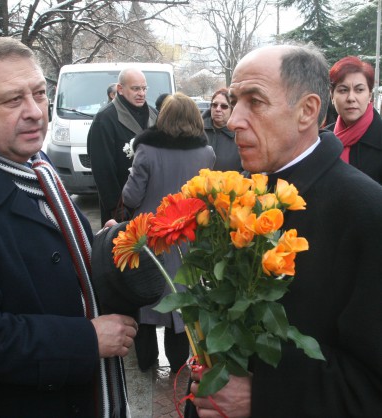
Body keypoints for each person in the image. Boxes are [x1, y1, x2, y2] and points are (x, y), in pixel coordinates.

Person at [0, 37, 164, 418]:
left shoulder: (38, 168)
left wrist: (101, 248)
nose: (35, 112)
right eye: (11, 100)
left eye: (39, 94)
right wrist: (85, 340)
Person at [185, 44, 382, 417]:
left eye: (254, 102)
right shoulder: (237, 194)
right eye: (233, 99)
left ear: (307, 111)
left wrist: (264, 397)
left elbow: (371, 387)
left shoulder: (366, 213)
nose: (233, 120)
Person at [122, 93, 216, 373]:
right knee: (181, 300)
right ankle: (178, 364)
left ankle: (147, 362)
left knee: (145, 300)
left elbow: (131, 196)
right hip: (186, 238)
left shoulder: (147, 151)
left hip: (149, 236)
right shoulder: (206, 154)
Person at [87, 68, 158, 226]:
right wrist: (116, 208)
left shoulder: (155, 115)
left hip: (151, 205)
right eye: (135, 88)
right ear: (120, 89)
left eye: (144, 88)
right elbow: (102, 169)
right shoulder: (105, 119)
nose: (141, 93)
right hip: (120, 208)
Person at [325, 56, 382, 184]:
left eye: (359, 90)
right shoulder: (322, 139)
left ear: (369, 95)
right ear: (332, 95)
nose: (351, 98)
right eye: (343, 90)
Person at [203, 88, 242, 171]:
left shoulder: (240, 136)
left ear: (232, 109)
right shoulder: (197, 131)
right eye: (214, 105)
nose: (218, 109)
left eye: (224, 106)